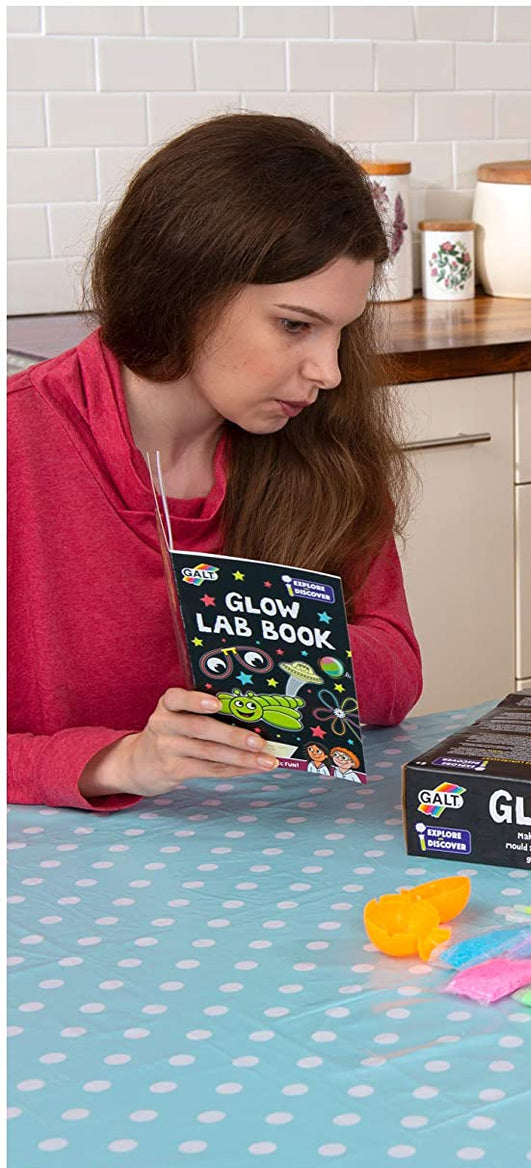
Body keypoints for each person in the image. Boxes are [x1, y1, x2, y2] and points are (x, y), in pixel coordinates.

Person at [8, 113, 423, 812]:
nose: (328, 372)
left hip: (276, 834)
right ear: (184, 290)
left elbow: (398, 666)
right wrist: (117, 761)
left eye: (340, 332)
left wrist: (297, 658)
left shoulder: (320, 442)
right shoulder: (16, 446)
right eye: (295, 325)